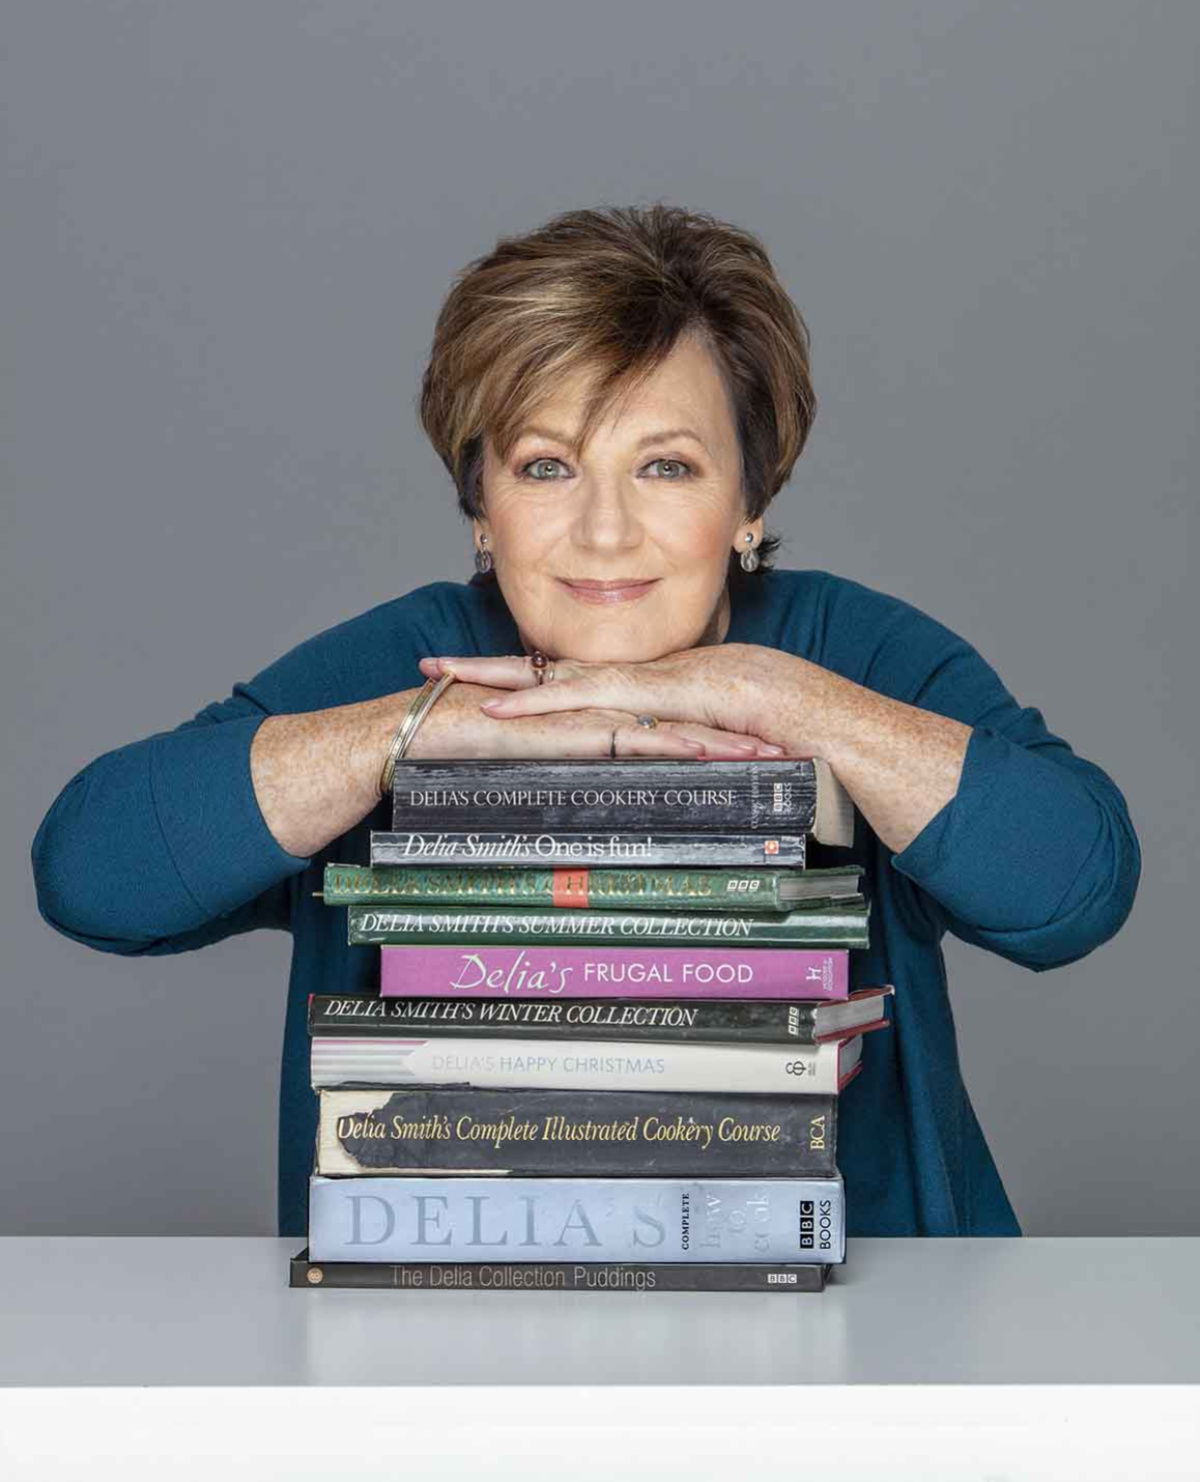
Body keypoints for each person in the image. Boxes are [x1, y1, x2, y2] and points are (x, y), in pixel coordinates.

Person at [31, 203, 1141, 1240]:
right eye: (547, 465)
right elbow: (93, 876)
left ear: (750, 500)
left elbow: (1075, 889)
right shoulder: (408, 662)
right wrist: (407, 736)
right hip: (441, 1308)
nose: (605, 533)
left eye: (666, 465)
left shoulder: (851, 651)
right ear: (481, 504)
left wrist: (787, 700)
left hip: (863, 1309)